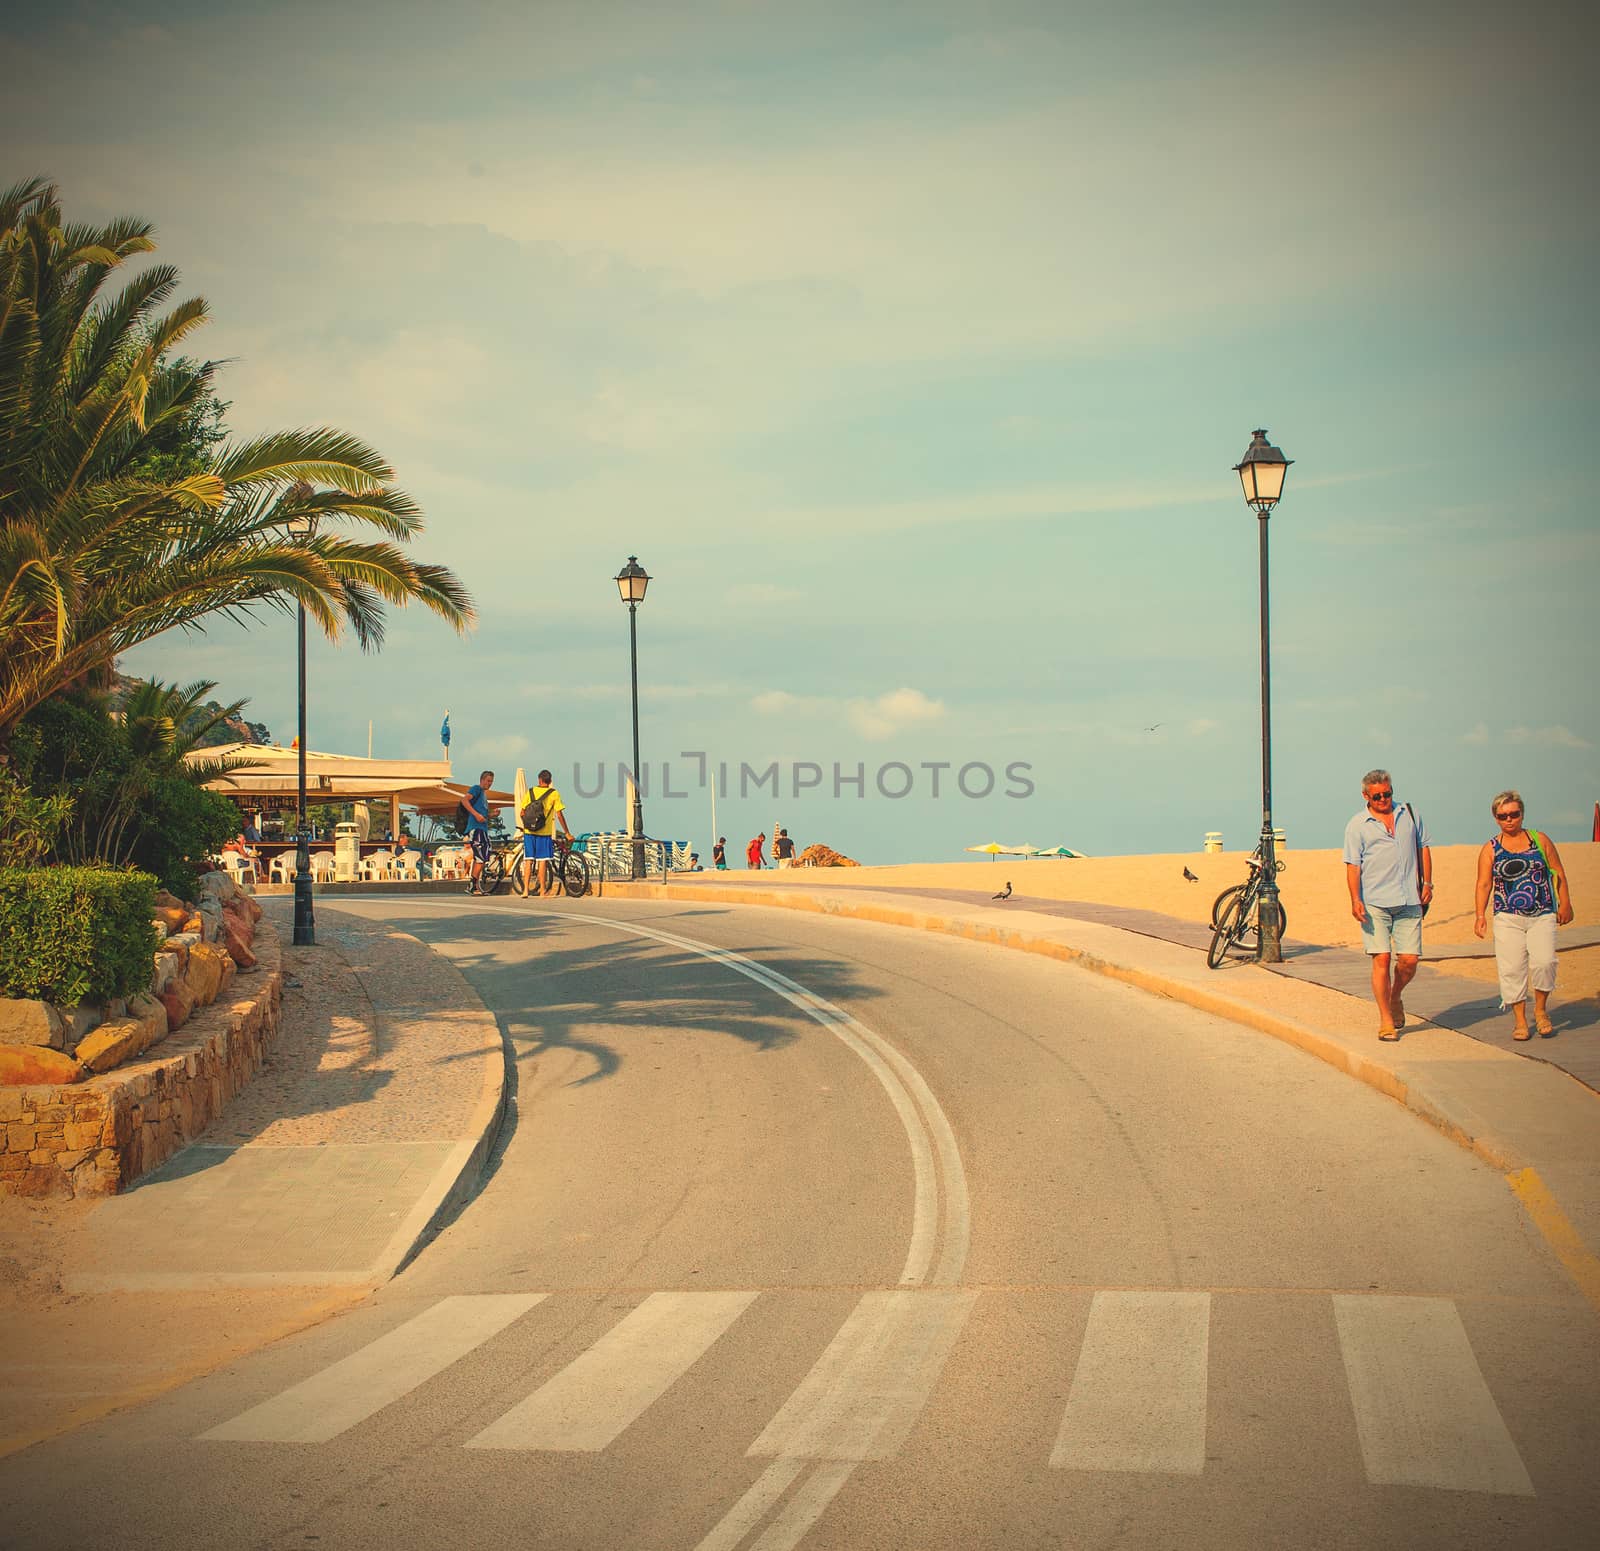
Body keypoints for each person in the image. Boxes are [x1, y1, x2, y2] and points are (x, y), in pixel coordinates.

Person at [1473, 789, 1574, 1039]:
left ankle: (1540, 1010)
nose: (1509, 820)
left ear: (1522, 814)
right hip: (1507, 916)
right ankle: (1520, 1020)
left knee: (1545, 962)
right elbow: (1483, 883)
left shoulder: (1539, 840)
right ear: (1496, 818)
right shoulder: (1491, 848)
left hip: (1542, 912)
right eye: (1503, 816)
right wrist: (1479, 915)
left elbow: (1558, 871)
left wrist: (1565, 903)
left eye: (1514, 814)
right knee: (1512, 968)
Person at [1342, 768, 1433, 1040]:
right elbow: (1352, 865)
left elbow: (1424, 848)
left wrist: (1427, 883)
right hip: (1374, 903)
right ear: (1366, 796)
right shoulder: (1357, 825)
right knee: (1381, 958)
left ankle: (1395, 997)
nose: (1383, 799)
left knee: (1409, 961)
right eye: (1377, 795)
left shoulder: (1410, 814)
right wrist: (1355, 899)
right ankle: (1385, 1020)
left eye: (1387, 794)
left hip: (1409, 898)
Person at [520, 768, 572, 898]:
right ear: (550, 781)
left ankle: (525, 890)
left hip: (529, 832)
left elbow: (522, 812)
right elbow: (559, 815)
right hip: (544, 832)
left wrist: (528, 824)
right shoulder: (554, 794)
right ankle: (542, 891)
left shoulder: (530, 792)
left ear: (539, 780)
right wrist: (567, 832)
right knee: (542, 861)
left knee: (528, 860)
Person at [464, 770, 493, 895]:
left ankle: (474, 885)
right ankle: (472, 885)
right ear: (482, 780)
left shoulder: (484, 796)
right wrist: (475, 815)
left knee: (480, 856)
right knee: (481, 856)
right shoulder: (476, 789)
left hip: (482, 828)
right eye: (488, 781)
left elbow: (484, 815)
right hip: (477, 829)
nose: (490, 783)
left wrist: (492, 814)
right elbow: (464, 800)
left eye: (491, 781)